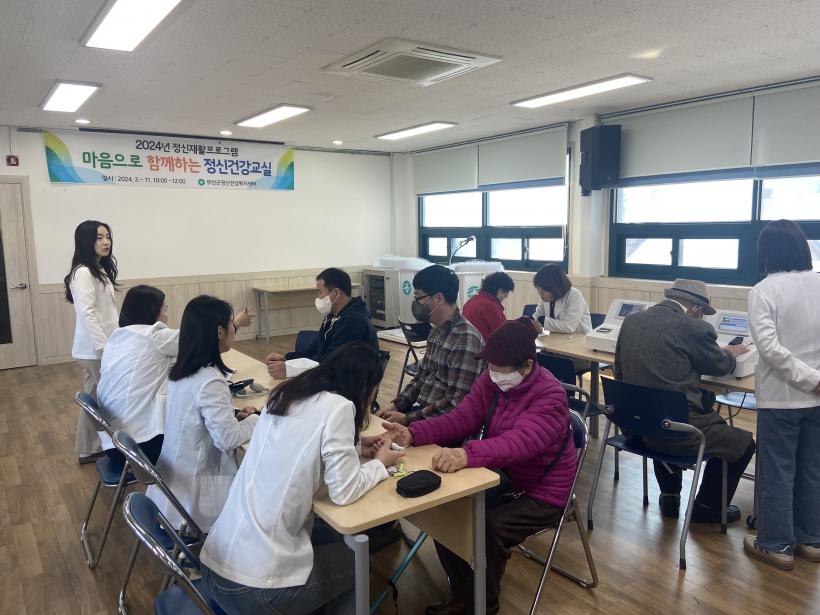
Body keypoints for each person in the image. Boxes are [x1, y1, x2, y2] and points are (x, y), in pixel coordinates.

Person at [381, 317, 575, 615]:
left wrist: (465, 455)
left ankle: (482, 605)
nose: (492, 374)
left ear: (527, 366)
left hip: (544, 490)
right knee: (448, 508)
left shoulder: (549, 395)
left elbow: (521, 443)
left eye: (499, 368)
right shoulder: (492, 379)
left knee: (490, 528)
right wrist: (414, 433)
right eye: (489, 367)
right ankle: (464, 595)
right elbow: (463, 417)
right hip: (507, 475)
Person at [200, 342, 404, 614]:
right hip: (255, 590)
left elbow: (302, 446)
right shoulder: (340, 408)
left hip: (213, 567)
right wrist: (380, 463)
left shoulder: (287, 394)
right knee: (357, 560)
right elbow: (343, 491)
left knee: (329, 534)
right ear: (366, 387)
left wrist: (354, 447)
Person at [614, 278, 756, 523]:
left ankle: (669, 494)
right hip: (680, 432)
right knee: (743, 443)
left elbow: (619, 371)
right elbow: (721, 365)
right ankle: (707, 508)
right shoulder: (694, 327)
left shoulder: (632, 320)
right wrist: (730, 353)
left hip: (638, 426)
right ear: (696, 308)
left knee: (657, 412)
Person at [96, 286, 254, 470]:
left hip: (114, 441)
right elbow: (200, 338)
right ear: (151, 312)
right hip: (140, 445)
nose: (167, 316)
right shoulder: (155, 336)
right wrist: (236, 323)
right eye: (165, 309)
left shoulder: (116, 338)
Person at [744, 220, 820, 569]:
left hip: (782, 397)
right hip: (817, 398)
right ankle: (812, 540)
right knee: (812, 471)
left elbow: (770, 349)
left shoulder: (763, 290)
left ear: (766, 253)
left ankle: (776, 545)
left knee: (777, 472)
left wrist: (809, 379)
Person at [147, 295, 258, 532]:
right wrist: (256, 420)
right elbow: (227, 439)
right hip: (197, 498)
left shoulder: (182, 371)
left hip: (173, 485)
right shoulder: (210, 380)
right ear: (219, 332)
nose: (233, 329)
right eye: (231, 324)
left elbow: (198, 419)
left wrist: (233, 417)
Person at [377, 265, 483, 425]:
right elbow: (422, 376)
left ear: (438, 298)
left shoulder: (466, 339)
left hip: (443, 426)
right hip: (422, 414)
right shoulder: (436, 330)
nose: (415, 304)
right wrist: (396, 406)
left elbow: (456, 404)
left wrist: (407, 419)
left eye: (419, 298)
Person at [64, 220, 120, 463]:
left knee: (94, 398)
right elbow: (87, 313)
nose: (106, 242)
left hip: (100, 347)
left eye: (107, 236)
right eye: (99, 237)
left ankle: (87, 448)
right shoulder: (84, 272)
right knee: (110, 398)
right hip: (96, 349)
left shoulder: (98, 269)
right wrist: (105, 347)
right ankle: (115, 447)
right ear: (86, 241)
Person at [265, 267, 378, 378]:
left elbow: (333, 363)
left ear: (336, 293)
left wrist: (290, 370)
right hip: (329, 376)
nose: (318, 298)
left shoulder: (354, 321)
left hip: (348, 383)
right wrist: (287, 359)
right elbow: (313, 351)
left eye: (320, 292)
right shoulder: (332, 316)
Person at [530, 264, 592, 334]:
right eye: (538, 287)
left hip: (579, 337)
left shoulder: (574, 295)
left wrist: (542, 321)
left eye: (544, 288)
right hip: (556, 337)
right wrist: (534, 324)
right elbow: (538, 314)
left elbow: (568, 327)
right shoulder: (545, 297)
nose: (540, 292)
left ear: (555, 286)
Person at [461, 271, 515, 340]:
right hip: (482, 345)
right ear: (500, 291)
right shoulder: (490, 306)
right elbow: (502, 336)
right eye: (505, 294)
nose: (506, 297)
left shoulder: (470, 302)